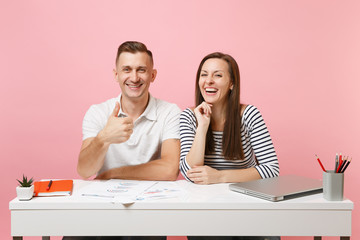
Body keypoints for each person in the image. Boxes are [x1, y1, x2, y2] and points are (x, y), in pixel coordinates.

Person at [63, 41, 181, 240]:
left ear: (152, 75)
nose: (134, 78)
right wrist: (104, 138)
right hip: (102, 206)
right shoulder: (98, 112)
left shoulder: (170, 112)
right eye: (127, 70)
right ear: (116, 75)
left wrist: (115, 173)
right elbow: (84, 170)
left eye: (141, 70)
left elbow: (170, 169)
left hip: (148, 210)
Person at [179, 52, 280, 240]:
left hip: (248, 206)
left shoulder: (249, 114)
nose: (209, 81)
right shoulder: (189, 117)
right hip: (206, 212)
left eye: (217, 75)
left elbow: (271, 169)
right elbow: (189, 172)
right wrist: (202, 127)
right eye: (204, 74)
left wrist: (220, 176)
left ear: (232, 84)